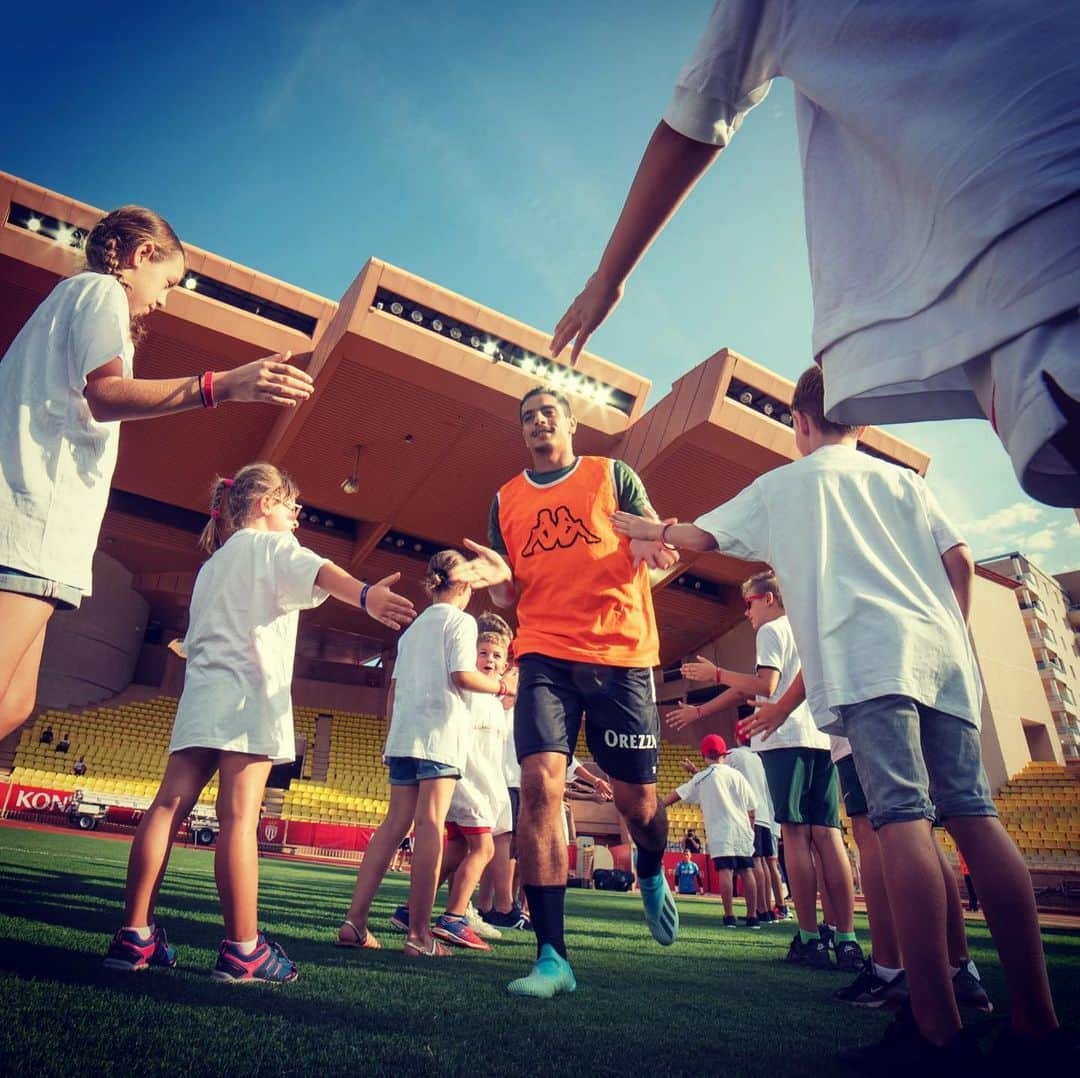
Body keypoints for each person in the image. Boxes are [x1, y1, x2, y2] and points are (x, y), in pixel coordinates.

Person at [613, 365, 1070, 1067]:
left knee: (903, 822)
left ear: (799, 422)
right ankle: (1038, 1021)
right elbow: (959, 562)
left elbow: (699, 538)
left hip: (871, 658)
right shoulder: (903, 480)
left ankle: (935, 1026)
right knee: (975, 816)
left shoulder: (786, 484)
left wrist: (646, 527)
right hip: (944, 657)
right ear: (860, 423)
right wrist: (947, 634)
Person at [551, 2, 1079, 508]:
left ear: (800, 424)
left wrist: (608, 277)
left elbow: (695, 121)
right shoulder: (904, 491)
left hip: (1028, 259)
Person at [0, 206, 316, 750]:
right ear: (140, 254)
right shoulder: (100, 292)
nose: (164, 299)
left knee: (14, 705)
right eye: (168, 281)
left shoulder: (66, 303)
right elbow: (105, 396)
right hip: (34, 521)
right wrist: (221, 385)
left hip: (39, 525)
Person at [104, 463, 413, 981]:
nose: (298, 516)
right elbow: (321, 571)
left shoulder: (212, 565)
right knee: (239, 819)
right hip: (250, 695)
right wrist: (365, 596)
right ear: (266, 503)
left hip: (201, 694)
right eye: (292, 505)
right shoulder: (272, 548)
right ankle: (243, 949)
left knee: (166, 807)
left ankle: (134, 937)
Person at [449, 385, 680, 998]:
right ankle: (552, 956)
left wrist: (657, 549)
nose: (538, 422)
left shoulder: (612, 475)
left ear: (572, 425)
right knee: (540, 783)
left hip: (622, 654)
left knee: (638, 806)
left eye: (548, 413)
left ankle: (653, 863)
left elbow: (655, 547)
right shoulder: (506, 499)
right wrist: (497, 582)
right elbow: (507, 591)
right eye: (527, 417)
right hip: (544, 653)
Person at [667, 572, 862, 970]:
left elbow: (764, 686)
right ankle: (846, 937)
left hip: (784, 736)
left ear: (769, 599)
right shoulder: (807, 630)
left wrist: (715, 673)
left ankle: (810, 937)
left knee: (795, 835)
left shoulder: (772, 630)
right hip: (821, 738)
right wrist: (702, 710)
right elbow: (754, 687)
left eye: (750, 602)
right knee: (828, 836)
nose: (747, 611)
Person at [338, 551, 513, 958]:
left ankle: (354, 921)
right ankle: (419, 935)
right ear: (466, 584)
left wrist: (393, 735)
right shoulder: (462, 622)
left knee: (392, 826)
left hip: (404, 737)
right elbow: (461, 676)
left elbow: (394, 691)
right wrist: (505, 688)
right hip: (438, 737)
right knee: (430, 825)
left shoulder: (412, 630)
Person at [829, 736, 991, 1014]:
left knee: (871, 829)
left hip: (864, 720)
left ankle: (887, 970)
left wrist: (781, 707)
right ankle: (959, 967)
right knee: (921, 830)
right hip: (915, 719)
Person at [664, 735, 757, 927]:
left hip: (721, 831)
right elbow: (751, 806)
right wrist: (751, 827)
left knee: (725, 870)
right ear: (724, 754)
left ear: (705, 755)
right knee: (747, 870)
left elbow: (679, 793)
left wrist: (659, 805)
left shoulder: (703, 777)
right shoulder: (736, 775)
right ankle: (752, 916)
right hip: (742, 829)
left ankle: (729, 915)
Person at [724, 732, 779, 925]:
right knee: (762, 862)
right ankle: (765, 909)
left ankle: (759, 910)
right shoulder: (759, 759)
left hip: (749, 814)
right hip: (763, 815)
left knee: (754, 862)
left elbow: (718, 773)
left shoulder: (734, 755)